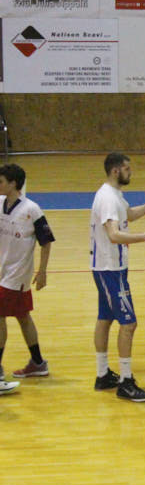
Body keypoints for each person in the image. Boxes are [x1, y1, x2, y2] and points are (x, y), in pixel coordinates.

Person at [91, 153, 145, 402]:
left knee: (105, 318)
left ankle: (103, 374)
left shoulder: (114, 195)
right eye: (127, 168)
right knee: (128, 324)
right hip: (110, 269)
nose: (130, 172)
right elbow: (114, 235)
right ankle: (126, 382)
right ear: (115, 171)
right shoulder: (107, 197)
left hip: (110, 268)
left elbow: (129, 215)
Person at [0, 164, 54, 382]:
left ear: (13, 184)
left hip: (17, 275)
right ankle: (38, 363)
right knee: (23, 317)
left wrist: (42, 272)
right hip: (2, 272)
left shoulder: (32, 210)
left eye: (1, 181)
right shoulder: (0, 203)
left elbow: (46, 241)